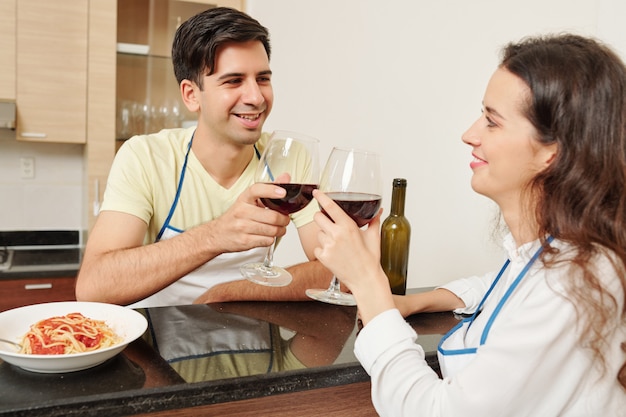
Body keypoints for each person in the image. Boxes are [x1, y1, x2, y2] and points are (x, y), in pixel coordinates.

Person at [312, 33, 626, 416]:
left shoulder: (574, 281)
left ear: (551, 152)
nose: (469, 134)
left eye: (492, 122)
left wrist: (367, 283)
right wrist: (417, 301)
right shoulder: (553, 253)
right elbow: (499, 288)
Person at [75, 7, 331, 308]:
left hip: (253, 344)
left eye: (262, 79)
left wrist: (228, 292)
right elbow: (93, 286)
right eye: (233, 81)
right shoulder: (145, 157)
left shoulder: (289, 158)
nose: (256, 97)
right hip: (158, 345)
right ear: (191, 95)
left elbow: (333, 270)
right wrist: (215, 236)